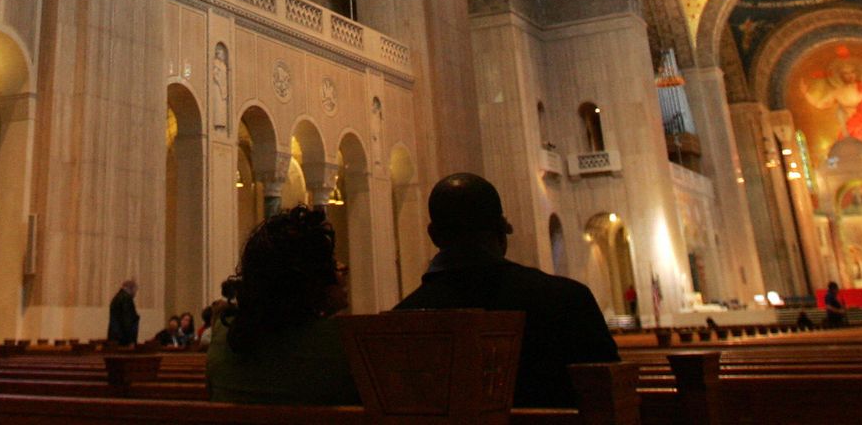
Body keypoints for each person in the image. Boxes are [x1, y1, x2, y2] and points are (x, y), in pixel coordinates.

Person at [395, 173, 618, 408]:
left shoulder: (398, 323)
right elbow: (612, 398)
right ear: (502, 233)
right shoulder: (569, 300)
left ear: (433, 235)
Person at [207, 207, 358, 405]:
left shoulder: (223, 337)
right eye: (330, 263)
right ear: (312, 279)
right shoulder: (347, 344)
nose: (342, 270)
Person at [108, 279, 140, 346]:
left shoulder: (116, 297)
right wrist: (131, 340)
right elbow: (128, 320)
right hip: (123, 338)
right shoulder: (126, 299)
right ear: (130, 288)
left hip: (114, 336)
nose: (135, 294)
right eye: (135, 291)